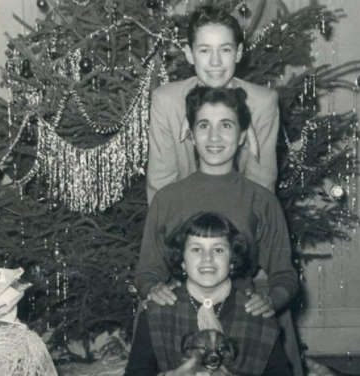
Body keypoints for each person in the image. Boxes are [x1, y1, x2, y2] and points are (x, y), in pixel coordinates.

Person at [136, 86, 302, 374]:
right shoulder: (167, 198)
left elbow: (285, 274)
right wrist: (153, 289)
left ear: (241, 135)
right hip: (180, 315)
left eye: (225, 125)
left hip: (240, 317)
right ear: (191, 132)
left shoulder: (261, 199)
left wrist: (272, 299)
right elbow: (147, 270)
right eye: (204, 125)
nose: (214, 137)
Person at [125, 211, 291, 376]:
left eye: (218, 250)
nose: (207, 258)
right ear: (182, 261)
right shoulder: (157, 313)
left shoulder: (258, 316)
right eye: (196, 249)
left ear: (232, 261)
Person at [147, 5, 279, 204]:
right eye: (205, 50)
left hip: (240, 220)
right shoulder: (166, 102)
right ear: (190, 54)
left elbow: (261, 190)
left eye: (225, 49)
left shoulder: (262, 103)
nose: (215, 62)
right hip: (182, 219)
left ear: (238, 53)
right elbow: (161, 187)